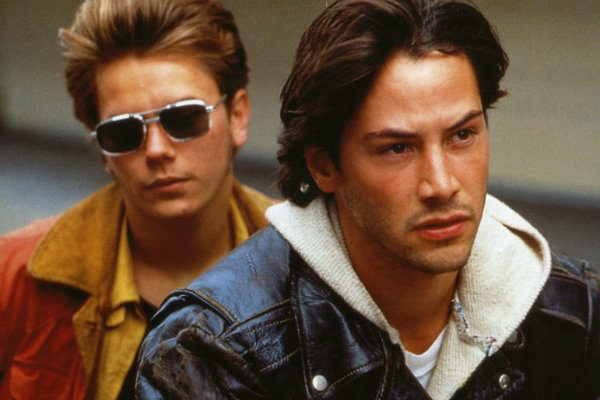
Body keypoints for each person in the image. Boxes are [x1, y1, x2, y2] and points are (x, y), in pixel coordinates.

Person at [136, 0, 600, 399]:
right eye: (397, 148)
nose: (441, 184)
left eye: (462, 135)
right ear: (324, 166)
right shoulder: (216, 348)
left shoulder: (573, 311)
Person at [0, 0, 273, 399]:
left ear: (238, 117)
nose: (157, 150)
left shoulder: (315, 269)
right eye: (123, 132)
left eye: (184, 118)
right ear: (102, 151)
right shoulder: (15, 281)